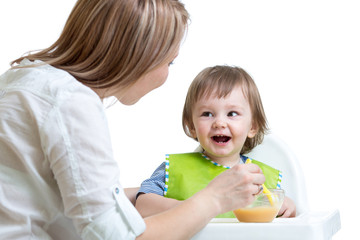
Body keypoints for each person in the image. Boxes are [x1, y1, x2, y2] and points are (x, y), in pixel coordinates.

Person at [0, 1, 267, 239]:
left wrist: (147, 194)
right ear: (138, 57)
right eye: (169, 63)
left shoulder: (23, 77)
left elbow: (66, 194)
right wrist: (213, 199)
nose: (165, 75)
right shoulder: (71, 102)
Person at [136, 65, 297, 219]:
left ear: (252, 126)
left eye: (232, 113)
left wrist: (286, 207)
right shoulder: (174, 169)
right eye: (207, 113)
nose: (219, 123)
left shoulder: (262, 178)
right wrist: (192, 208)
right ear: (192, 126)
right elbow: (142, 205)